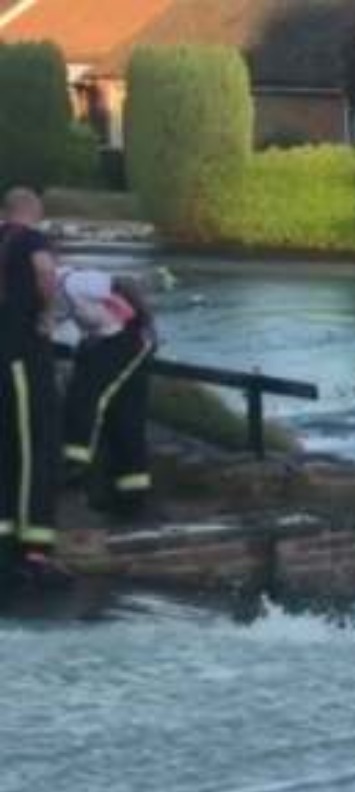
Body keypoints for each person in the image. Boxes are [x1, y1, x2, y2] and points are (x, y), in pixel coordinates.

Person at [56, 265, 158, 519]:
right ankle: (131, 495)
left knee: (86, 397)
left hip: (128, 337)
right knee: (124, 417)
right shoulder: (50, 295)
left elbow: (124, 284)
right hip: (104, 338)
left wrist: (146, 322)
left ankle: (74, 463)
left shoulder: (75, 282)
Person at [0, 188, 62, 582]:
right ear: (31, 211)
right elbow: (45, 272)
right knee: (34, 446)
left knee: (4, 446)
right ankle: (33, 547)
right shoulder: (30, 238)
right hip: (22, 356)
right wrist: (47, 314)